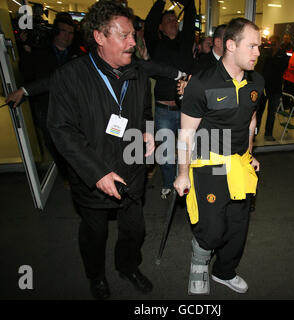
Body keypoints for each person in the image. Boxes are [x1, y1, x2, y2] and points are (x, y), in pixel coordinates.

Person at [47, 1, 155, 299]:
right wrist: (97, 173)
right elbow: (61, 130)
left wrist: (148, 131)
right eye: (124, 36)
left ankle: (128, 266)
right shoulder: (70, 77)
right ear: (99, 37)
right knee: (95, 234)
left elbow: (145, 109)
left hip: (132, 170)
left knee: (135, 230)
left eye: (134, 35)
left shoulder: (138, 73)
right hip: (91, 176)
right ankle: (96, 276)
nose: (133, 42)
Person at [174, 18, 264, 295]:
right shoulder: (201, 83)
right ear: (230, 45)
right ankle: (199, 265)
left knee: (237, 229)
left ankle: (224, 272)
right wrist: (181, 173)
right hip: (209, 165)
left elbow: (251, 120)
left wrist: (249, 153)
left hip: (238, 164)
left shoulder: (257, 81)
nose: (257, 53)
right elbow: (186, 134)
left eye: (259, 47)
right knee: (212, 230)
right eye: (252, 46)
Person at [6, 14, 82, 178]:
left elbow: (64, 79)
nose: (67, 36)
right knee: (54, 143)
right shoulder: (40, 52)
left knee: (76, 142)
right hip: (46, 105)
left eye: (71, 33)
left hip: (72, 107)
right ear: (55, 32)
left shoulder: (78, 54)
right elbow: (28, 74)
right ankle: (66, 175)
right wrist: (26, 50)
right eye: (63, 32)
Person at [144, 0, 196, 199]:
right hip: (164, 109)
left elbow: (190, 18)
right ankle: (167, 183)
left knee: (188, 149)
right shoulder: (156, 43)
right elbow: (149, 24)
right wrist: (161, 2)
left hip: (186, 110)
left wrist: (189, 3)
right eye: (168, 20)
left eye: (175, 19)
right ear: (161, 25)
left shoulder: (185, 40)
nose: (173, 22)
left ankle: (186, 180)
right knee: (166, 153)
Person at [255, 35, 288, 141]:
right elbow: (259, 67)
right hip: (264, 88)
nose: (272, 46)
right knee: (259, 113)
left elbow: (281, 68)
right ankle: (254, 134)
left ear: (278, 44)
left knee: (271, 113)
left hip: (275, 89)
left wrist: (270, 57)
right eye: (271, 43)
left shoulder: (283, 55)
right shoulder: (265, 53)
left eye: (274, 44)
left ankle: (268, 134)